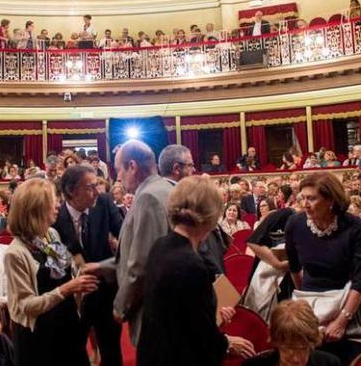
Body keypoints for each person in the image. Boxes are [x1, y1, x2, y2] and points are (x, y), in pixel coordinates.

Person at [137, 176, 254, 365]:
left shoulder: (161, 245)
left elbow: (180, 307)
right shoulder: (190, 264)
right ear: (211, 216)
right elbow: (198, 333)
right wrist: (226, 342)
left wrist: (212, 307)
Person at [4, 178, 98, 366]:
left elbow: (65, 268)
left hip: (66, 324)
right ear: (36, 209)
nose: (58, 205)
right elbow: (27, 305)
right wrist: (67, 289)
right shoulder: (15, 253)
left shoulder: (50, 234)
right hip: (38, 335)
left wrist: (82, 275)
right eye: (52, 201)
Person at [284, 172, 361, 361]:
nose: (305, 204)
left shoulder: (352, 225)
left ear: (330, 200)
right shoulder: (295, 223)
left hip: (348, 304)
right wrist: (310, 302)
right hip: (309, 306)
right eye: (303, 198)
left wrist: (341, 319)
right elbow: (294, 268)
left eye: (312, 198)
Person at [52, 164, 123, 366]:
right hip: (73, 298)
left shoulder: (105, 203)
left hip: (106, 291)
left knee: (111, 352)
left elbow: (126, 240)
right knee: (73, 351)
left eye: (96, 186)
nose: (96, 192)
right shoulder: (55, 216)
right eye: (90, 187)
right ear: (72, 192)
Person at [112, 140, 171, 346]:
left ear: (132, 166)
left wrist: (121, 307)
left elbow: (142, 264)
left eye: (119, 169)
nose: (118, 177)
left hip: (153, 311)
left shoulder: (148, 198)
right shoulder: (166, 187)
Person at [242, 300, 341, 366]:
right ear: (276, 341)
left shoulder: (329, 363)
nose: (296, 359)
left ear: (312, 342)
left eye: (302, 348)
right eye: (288, 348)